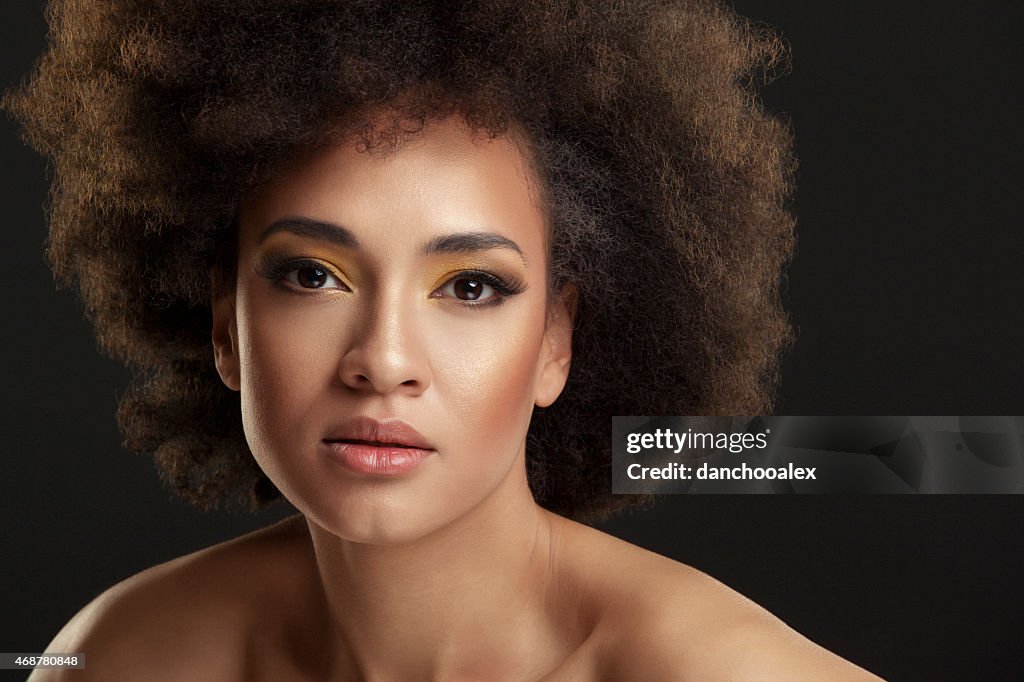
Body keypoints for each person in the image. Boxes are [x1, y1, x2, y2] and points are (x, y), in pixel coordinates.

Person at [7, 0, 881, 678]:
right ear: (225, 324)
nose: (383, 361)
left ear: (554, 343)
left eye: (470, 287)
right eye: (312, 275)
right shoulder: (115, 658)